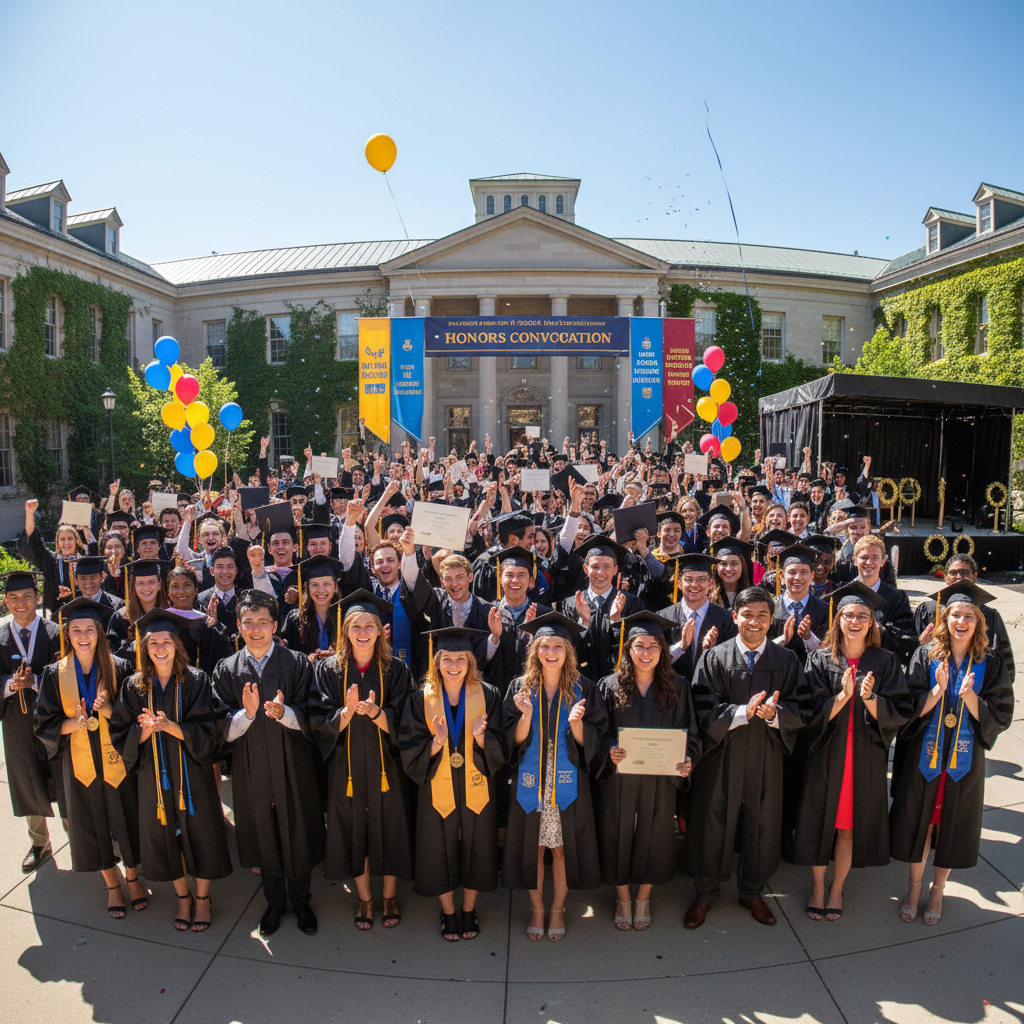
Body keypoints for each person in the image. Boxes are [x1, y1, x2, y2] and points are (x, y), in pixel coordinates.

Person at [889, 581, 1014, 925]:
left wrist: (972, 698)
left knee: (950, 827)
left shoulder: (990, 661)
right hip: (924, 758)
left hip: (963, 762)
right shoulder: (925, 654)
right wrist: (936, 691)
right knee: (921, 825)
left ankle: (938, 891)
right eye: (955, 614)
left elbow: (1001, 710)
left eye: (968, 616)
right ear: (945, 618)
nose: (961, 621)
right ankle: (914, 888)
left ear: (979, 621)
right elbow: (905, 703)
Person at [684, 587, 807, 929]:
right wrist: (742, 712)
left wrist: (773, 713)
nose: (754, 622)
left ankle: (752, 891)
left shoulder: (786, 661)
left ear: (772, 620)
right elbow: (701, 709)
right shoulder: (714, 658)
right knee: (713, 822)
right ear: (734, 616)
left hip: (766, 755)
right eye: (747, 615)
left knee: (761, 824)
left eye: (762, 616)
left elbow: (802, 706)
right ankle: (706, 893)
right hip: (722, 755)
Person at [793, 582, 912, 921]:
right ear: (838, 619)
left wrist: (871, 699)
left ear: (872, 622)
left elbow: (900, 710)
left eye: (863, 615)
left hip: (863, 757)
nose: (856, 621)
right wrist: (842, 698)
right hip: (826, 754)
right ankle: (818, 886)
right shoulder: (820, 658)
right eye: (849, 615)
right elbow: (805, 711)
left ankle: (836, 887)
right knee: (820, 823)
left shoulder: (885, 662)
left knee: (847, 827)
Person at [108, 609, 231, 932]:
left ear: (177, 645)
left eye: (166, 641)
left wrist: (173, 727)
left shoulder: (196, 680)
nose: (160, 648)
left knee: (202, 834)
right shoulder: (134, 687)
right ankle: (183, 898)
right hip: (153, 776)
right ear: (144, 647)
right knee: (164, 837)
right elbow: (118, 733)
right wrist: (145, 732)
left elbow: (213, 728)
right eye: (153, 643)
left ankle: (203, 899)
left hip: (192, 775)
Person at [212, 590, 324, 937]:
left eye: (263, 622)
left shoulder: (297, 663)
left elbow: (316, 714)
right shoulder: (228, 669)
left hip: (293, 763)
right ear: (239, 626)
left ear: (275, 625)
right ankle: (275, 903)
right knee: (264, 829)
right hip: (251, 766)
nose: (256, 629)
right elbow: (217, 726)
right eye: (249, 623)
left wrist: (286, 713)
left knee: (297, 827)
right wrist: (246, 715)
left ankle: (302, 899)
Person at [34, 597, 146, 918]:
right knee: (90, 821)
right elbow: (44, 722)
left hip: (116, 758)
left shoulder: (120, 667)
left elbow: (135, 715)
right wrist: (72, 723)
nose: (83, 636)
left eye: (89, 629)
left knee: (126, 815)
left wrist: (109, 710)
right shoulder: (55, 673)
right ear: (67, 635)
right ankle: (112, 884)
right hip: (78, 760)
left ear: (99, 632)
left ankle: (133, 877)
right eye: (75, 630)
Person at [309, 590, 415, 930]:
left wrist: (377, 714)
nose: (363, 631)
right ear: (346, 631)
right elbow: (317, 719)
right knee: (353, 830)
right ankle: (365, 898)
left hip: (387, 766)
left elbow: (408, 719)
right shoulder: (329, 669)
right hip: (348, 769)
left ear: (382, 630)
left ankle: (389, 895)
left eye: (370, 625)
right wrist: (346, 713)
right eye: (356, 625)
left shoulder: (396, 669)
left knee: (392, 828)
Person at [501, 612, 607, 942]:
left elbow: (596, 740)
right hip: (531, 782)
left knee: (560, 850)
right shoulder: (520, 688)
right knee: (534, 848)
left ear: (568, 651)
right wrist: (526, 717)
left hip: (566, 784)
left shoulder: (584, 688)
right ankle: (536, 908)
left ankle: (558, 908)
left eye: (557, 646)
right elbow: (510, 741)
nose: (551, 652)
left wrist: (577, 725)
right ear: (535, 651)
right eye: (544, 646)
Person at [399, 627, 504, 942]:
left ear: (471, 661)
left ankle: (469, 910)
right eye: (447, 658)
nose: (454, 664)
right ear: (437, 661)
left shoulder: (489, 695)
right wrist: (435, 743)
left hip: (477, 784)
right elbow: (408, 743)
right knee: (436, 846)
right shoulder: (420, 698)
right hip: (436, 784)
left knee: (479, 845)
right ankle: (448, 912)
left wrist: (483, 740)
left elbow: (503, 742)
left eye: (461, 658)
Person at [597, 611, 695, 931]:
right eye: (639, 646)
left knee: (655, 833)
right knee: (616, 832)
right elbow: (597, 730)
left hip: (659, 778)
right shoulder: (609, 685)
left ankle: (643, 897)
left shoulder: (678, 686)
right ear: (628, 649)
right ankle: (623, 896)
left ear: (663, 651)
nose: (646, 653)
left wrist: (686, 759)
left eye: (653, 646)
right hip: (620, 778)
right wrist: (610, 747)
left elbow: (689, 733)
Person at [1, 570, 64, 872]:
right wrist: (11, 685)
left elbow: (66, 673)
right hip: (16, 721)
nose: (21, 603)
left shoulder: (56, 632)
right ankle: (40, 843)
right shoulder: (0, 637)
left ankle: (77, 836)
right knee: (26, 779)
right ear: (5, 601)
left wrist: (37, 681)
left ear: (38, 598)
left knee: (63, 777)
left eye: (27, 596)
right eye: (14, 598)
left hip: (52, 720)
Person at [913, 554, 1015, 683]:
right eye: (953, 573)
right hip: (933, 683)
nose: (959, 577)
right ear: (945, 577)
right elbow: (911, 658)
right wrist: (920, 645)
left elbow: (1003, 660)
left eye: (964, 572)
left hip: (977, 681)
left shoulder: (989, 614)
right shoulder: (927, 610)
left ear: (975, 577)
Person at [563, 537, 645, 681]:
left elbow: (638, 648)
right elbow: (564, 648)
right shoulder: (571, 604)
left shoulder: (632, 603)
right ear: (585, 569)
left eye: (607, 567)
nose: (601, 572)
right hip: (581, 683)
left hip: (619, 683)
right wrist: (583, 624)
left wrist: (616, 621)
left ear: (615, 570)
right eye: (595, 567)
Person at [657, 553, 738, 679]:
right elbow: (656, 661)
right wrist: (681, 647)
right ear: (679, 584)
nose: (694, 584)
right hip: (672, 690)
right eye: (688, 579)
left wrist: (710, 652)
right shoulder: (663, 617)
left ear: (710, 584)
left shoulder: (725, 619)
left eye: (701, 579)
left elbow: (731, 663)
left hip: (710, 693)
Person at [847, 535, 916, 664]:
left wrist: (878, 630)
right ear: (854, 560)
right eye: (864, 557)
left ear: (883, 562)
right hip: (847, 664)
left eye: (875, 558)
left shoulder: (896, 598)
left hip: (883, 666)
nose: (869, 562)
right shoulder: (843, 595)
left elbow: (904, 639)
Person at [19, 498, 85, 614]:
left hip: (80, 613)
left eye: (70, 538)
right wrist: (30, 514)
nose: (66, 543)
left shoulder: (84, 562)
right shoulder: (51, 560)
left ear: (76, 541)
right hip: (54, 613)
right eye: (62, 539)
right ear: (57, 542)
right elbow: (34, 544)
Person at [280, 555, 344, 660]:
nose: (321, 590)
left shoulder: (346, 618)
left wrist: (336, 657)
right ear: (307, 588)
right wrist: (305, 661)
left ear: (336, 586)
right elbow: (287, 658)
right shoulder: (295, 619)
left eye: (326, 584)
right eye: (315, 585)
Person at [106, 560, 168, 656]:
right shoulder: (121, 617)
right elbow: (113, 657)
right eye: (140, 583)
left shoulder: (169, 613)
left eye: (151, 582)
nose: (146, 587)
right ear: (133, 585)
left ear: (159, 584)